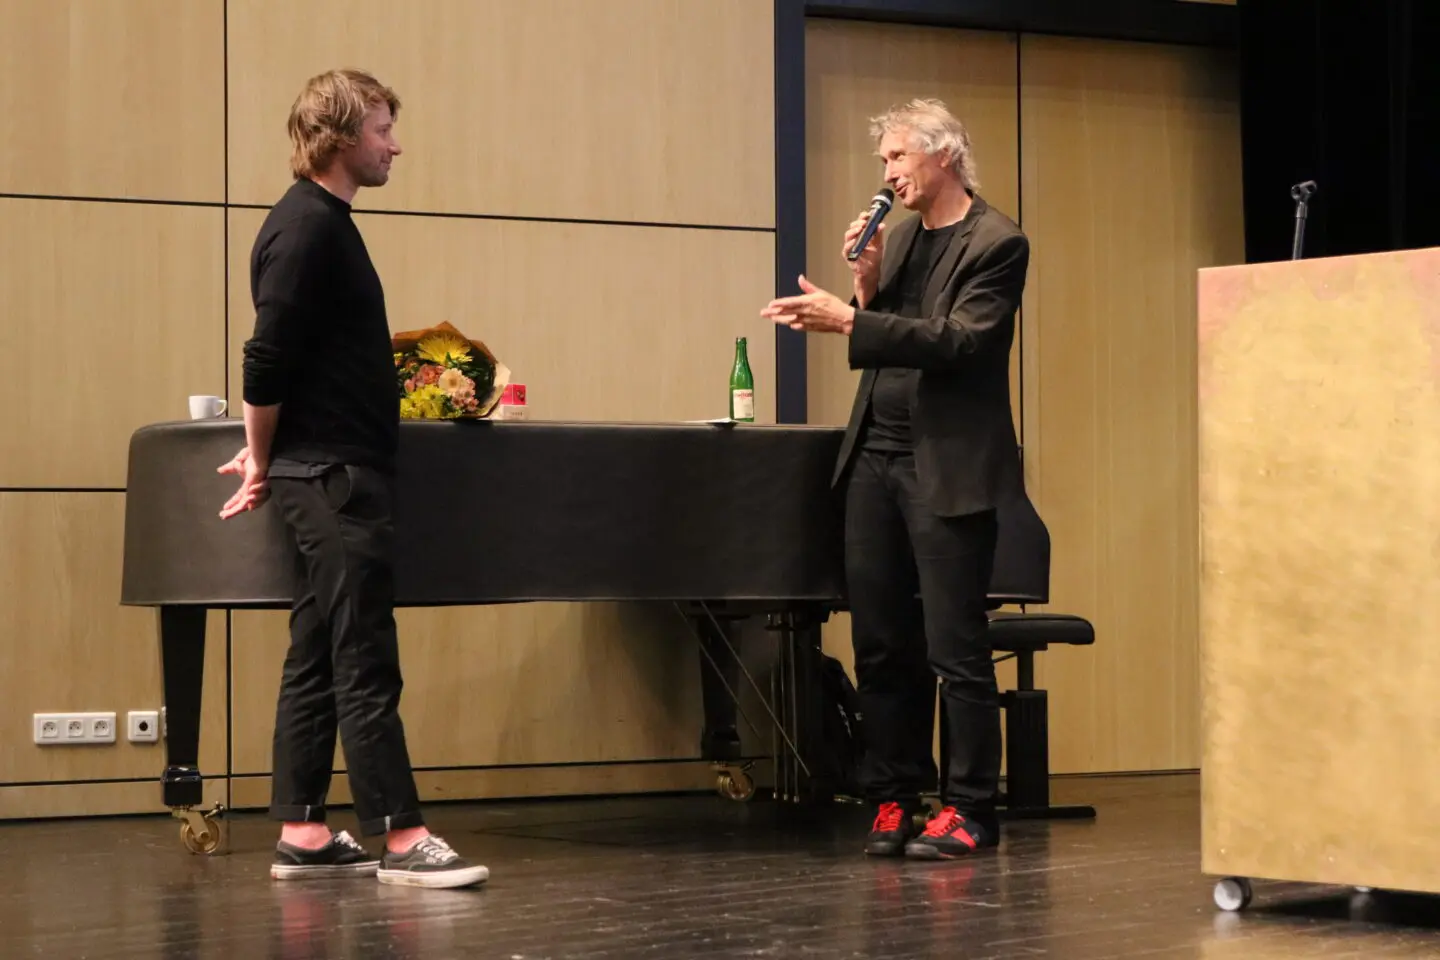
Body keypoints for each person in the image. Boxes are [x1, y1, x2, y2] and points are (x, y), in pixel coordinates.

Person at [218, 68, 487, 889]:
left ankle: (303, 830)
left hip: (328, 467)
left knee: (316, 651)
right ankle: (402, 836)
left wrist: (269, 449)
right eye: (381, 130)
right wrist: (260, 452)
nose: (394, 146)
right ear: (338, 137)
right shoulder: (308, 227)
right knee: (365, 653)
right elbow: (265, 357)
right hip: (331, 476)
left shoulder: (322, 223)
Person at [762, 98, 1028, 860]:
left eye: (897, 158)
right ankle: (895, 796)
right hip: (874, 460)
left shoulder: (998, 242)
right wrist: (868, 285)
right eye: (884, 161)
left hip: (946, 469)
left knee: (955, 647)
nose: (887, 174)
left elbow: (959, 342)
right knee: (880, 644)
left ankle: (971, 808)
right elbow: (891, 338)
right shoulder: (904, 236)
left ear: (944, 155)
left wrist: (851, 320)